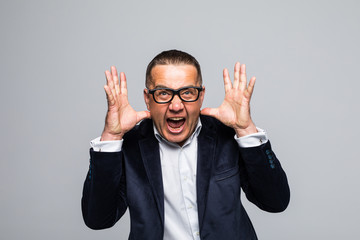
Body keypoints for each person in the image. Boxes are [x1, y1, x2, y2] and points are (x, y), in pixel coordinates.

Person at [82, 50, 290, 240]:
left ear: (201, 96)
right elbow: (97, 219)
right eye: (163, 93)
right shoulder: (130, 146)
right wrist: (111, 135)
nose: (176, 105)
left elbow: (276, 202)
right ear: (148, 99)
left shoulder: (226, 137)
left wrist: (246, 130)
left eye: (188, 92)